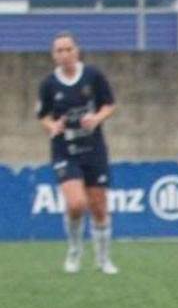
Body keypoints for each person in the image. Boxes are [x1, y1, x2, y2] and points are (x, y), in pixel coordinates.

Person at [37, 31, 118, 274]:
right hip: (65, 149)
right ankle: (74, 250)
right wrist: (53, 126)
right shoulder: (49, 84)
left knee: (98, 206)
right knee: (76, 203)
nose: (64, 54)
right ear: (53, 55)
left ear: (77, 51)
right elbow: (43, 116)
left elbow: (110, 104)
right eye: (59, 51)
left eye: (68, 49)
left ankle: (103, 259)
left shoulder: (93, 76)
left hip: (93, 149)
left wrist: (96, 119)